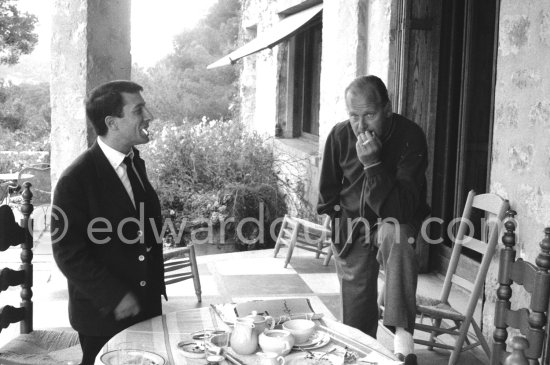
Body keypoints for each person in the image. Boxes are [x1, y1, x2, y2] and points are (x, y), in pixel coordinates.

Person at [51, 80, 166, 365]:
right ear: (112, 123)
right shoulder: (74, 180)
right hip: (105, 316)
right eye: (138, 110)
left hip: (145, 305)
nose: (148, 116)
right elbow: (68, 253)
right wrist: (115, 296)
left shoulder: (135, 162)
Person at [317, 75, 429, 365]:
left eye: (369, 114)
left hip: (394, 221)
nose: (361, 126)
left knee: (398, 234)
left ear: (387, 109)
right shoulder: (340, 135)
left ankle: (402, 334)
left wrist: (373, 164)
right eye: (354, 116)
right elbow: (327, 195)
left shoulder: (410, 136)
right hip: (353, 226)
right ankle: (363, 356)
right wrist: (340, 221)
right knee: (355, 326)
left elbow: (402, 209)